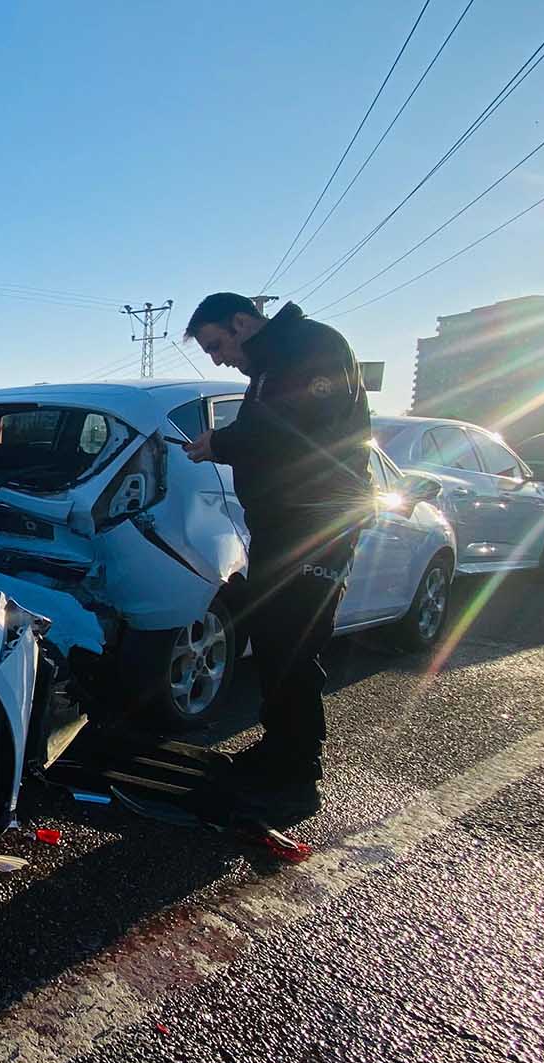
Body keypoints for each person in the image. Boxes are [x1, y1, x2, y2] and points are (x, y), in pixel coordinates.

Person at [180, 293, 372, 824]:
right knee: (270, 638)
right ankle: (279, 748)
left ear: (243, 322)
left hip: (322, 521)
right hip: (284, 522)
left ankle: (297, 776)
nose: (217, 359)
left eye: (217, 344)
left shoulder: (314, 347)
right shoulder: (269, 367)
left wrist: (221, 442)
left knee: (293, 640)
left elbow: (292, 430)